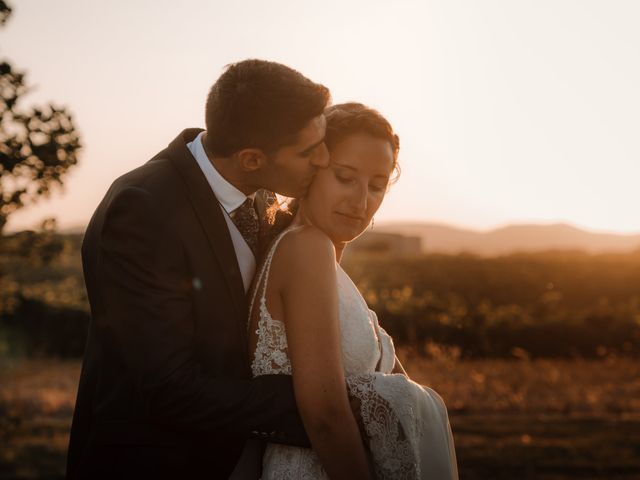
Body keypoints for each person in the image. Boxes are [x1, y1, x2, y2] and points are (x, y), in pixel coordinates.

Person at [66, 59, 331, 480]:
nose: (324, 159)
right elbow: (167, 386)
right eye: (308, 151)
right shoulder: (141, 210)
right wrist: (319, 403)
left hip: (239, 456)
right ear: (251, 159)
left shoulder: (257, 190)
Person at [248, 102, 459, 479]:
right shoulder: (306, 248)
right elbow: (325, 415)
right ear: (312, 169)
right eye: (345, 177)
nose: (361, 201)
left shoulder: (321, 261)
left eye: (377, 186)